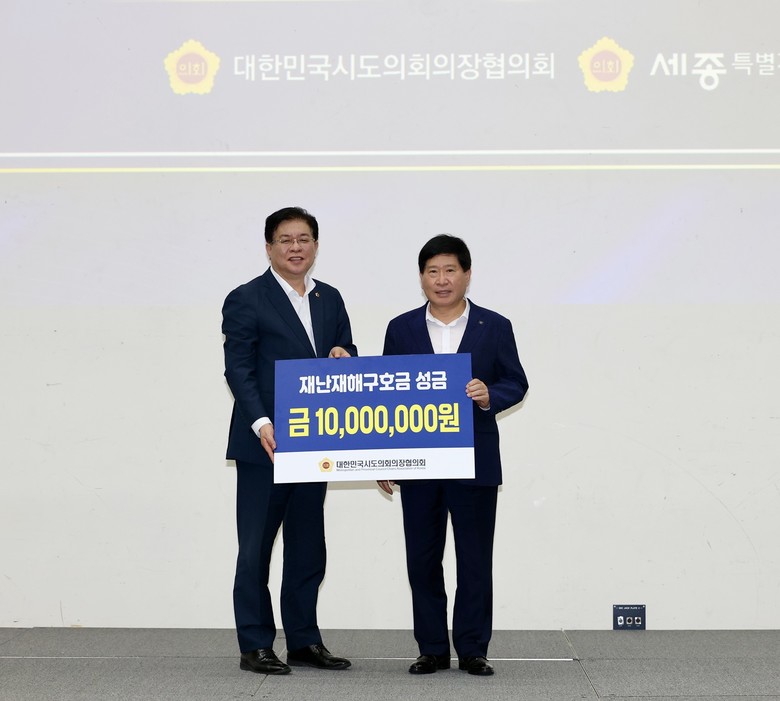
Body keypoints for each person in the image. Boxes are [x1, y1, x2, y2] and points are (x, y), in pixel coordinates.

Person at [378, 234, 528, 677]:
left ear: (466, 274)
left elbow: (516, 382)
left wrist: (489, 395)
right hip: (418, 463)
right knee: (422, 560)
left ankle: (473, 649)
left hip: (474, 461)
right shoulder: (401, 328)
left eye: (449, 270)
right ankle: (431, 649)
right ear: (421, 277)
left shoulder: (494, 326)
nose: (441, 280)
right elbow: (386, 397)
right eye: (432, 271)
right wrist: (384, 458)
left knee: (475, 560)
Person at [222, 206, 356, 675]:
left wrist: (343, 354)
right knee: (255, 548)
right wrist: (262, 423)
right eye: (285, 240)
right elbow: (238, 369)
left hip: (314, 443)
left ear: (315, 246)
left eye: (304, 239)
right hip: (265, 444)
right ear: (269, 247)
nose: (295, 247)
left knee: (307, 547)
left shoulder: (329, 298)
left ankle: (303, 640)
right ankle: (255, 644)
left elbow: (346, 351)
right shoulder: (246, 298)